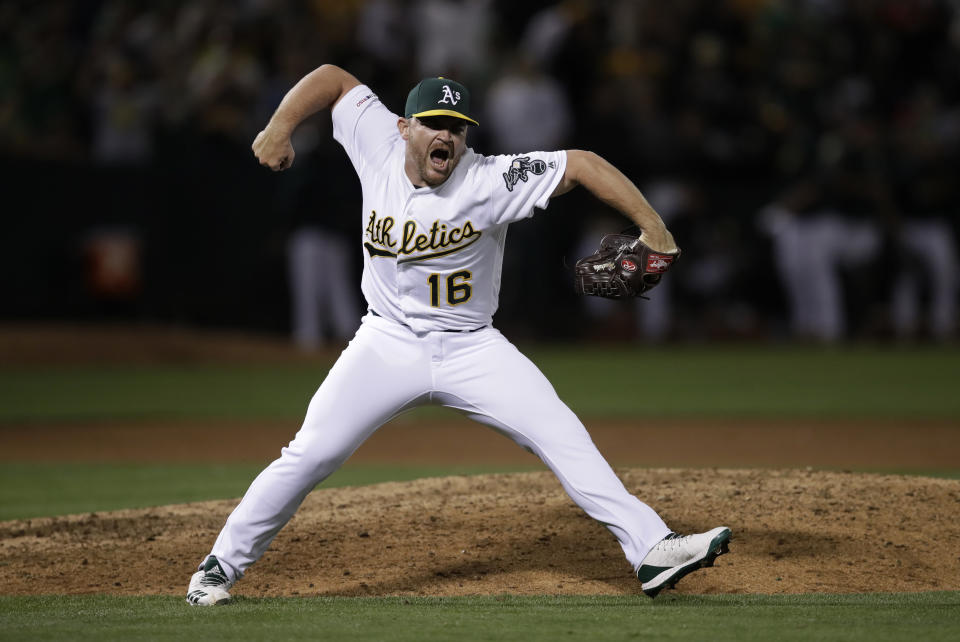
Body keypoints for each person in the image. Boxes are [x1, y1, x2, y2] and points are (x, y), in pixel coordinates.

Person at [185, 64, 731, 606]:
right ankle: (218, 568)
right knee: (309, 455)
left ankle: (652, 547)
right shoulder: (374, 137)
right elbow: (332, 78)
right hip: (386, 343)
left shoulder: (490, 178)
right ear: (405, 128)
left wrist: (654, 230)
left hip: (473, 346)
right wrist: (281, 126)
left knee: (561, 433)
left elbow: (582, 165)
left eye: (457, 125)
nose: (445, 134)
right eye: (433, 123)